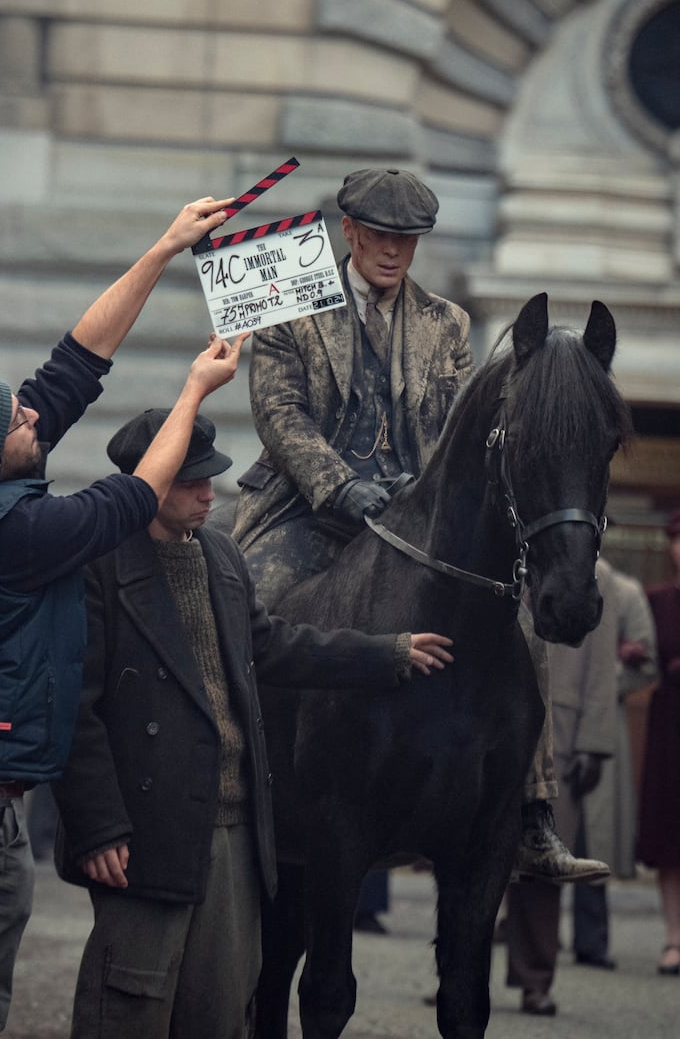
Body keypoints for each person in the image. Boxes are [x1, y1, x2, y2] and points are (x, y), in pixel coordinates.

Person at [0, 193, 247, 1039]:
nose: (34, 412)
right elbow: (134, 496)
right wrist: (196, 385)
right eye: (18, 419)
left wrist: (165, 246)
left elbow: (77, 361)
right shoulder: (19, 536)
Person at [231, 165, 607, 899]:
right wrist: (341, 486)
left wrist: (420, 494)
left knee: (520, 627)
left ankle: (530, 811)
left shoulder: (449, 322)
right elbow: (279, 416)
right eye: (381, 235)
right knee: (246, 599)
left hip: (412, 514)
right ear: (350, 232)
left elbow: (449, 431)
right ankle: (227, 778)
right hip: (305, 507)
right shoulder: (290, 303)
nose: (395, 251)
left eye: (408, 239)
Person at [51, 408, 455, 1039]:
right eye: (191, 481)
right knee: (130, 1006)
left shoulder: (220, 554)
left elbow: (274, 646)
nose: (211, 491)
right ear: (146, 480)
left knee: (220, 1008)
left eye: (210, 476)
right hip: (143, 832)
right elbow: (74, 708)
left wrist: (388, 652)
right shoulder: (96, 565)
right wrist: (97, 827)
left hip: (236, 831)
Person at [505, 557, 641, 1015]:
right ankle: (456, 971)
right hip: (491, 720)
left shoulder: (596, 573)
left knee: (544, 865)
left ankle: (535, 980)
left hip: (558, 732)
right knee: (471, 857)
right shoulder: (500, 547)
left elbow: (602, 664)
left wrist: (595, 744)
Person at [573, 557, 657, 969]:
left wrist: (608, 682)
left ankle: (592, 939)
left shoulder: (625, 591)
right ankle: (522, 935)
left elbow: (647, 663)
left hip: (604, 718)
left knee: (593, 837)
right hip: (554, 713)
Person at [636, 506, 680, 975]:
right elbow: (641, 652)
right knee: (671, 837)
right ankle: (673, 938)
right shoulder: (657, 600)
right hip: (671, 724)